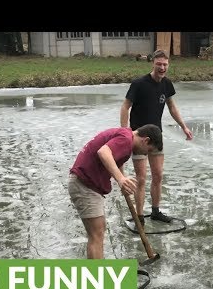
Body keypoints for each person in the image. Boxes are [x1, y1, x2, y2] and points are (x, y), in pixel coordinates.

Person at [120, 49, 193, 225]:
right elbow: (125, 107)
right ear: (153, 63)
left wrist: (183, 126)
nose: (162, 67)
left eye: (165, 64)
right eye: (159, 64)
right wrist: (125, 132)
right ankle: (139, 217)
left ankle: (155, 211)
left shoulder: (166, 84)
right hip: (138, 138)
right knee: (142, 178)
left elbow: (172, 107)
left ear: (168, 65)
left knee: (158, 175)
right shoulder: (139, 84)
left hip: (156, 137)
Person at [68, 124, 163, 259]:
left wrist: (122, 179)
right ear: (146, 140)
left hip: (86, 184)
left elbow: (116, 158)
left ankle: (98, 272)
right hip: (84, 185)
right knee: (96, 235)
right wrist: (120, 180)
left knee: (98, 233)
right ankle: (96, 277)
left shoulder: (125, 136)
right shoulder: (125, 139)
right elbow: (104, 152)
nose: (144, 154)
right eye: (147, 151)